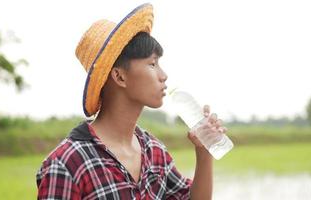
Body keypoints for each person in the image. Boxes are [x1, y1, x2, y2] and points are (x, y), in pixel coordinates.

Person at [36, 3, 227, 200]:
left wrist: (204, 152)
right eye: (152, 64)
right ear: (119, 77)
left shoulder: (154, 151)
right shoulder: (67, 164)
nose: (164, 76)